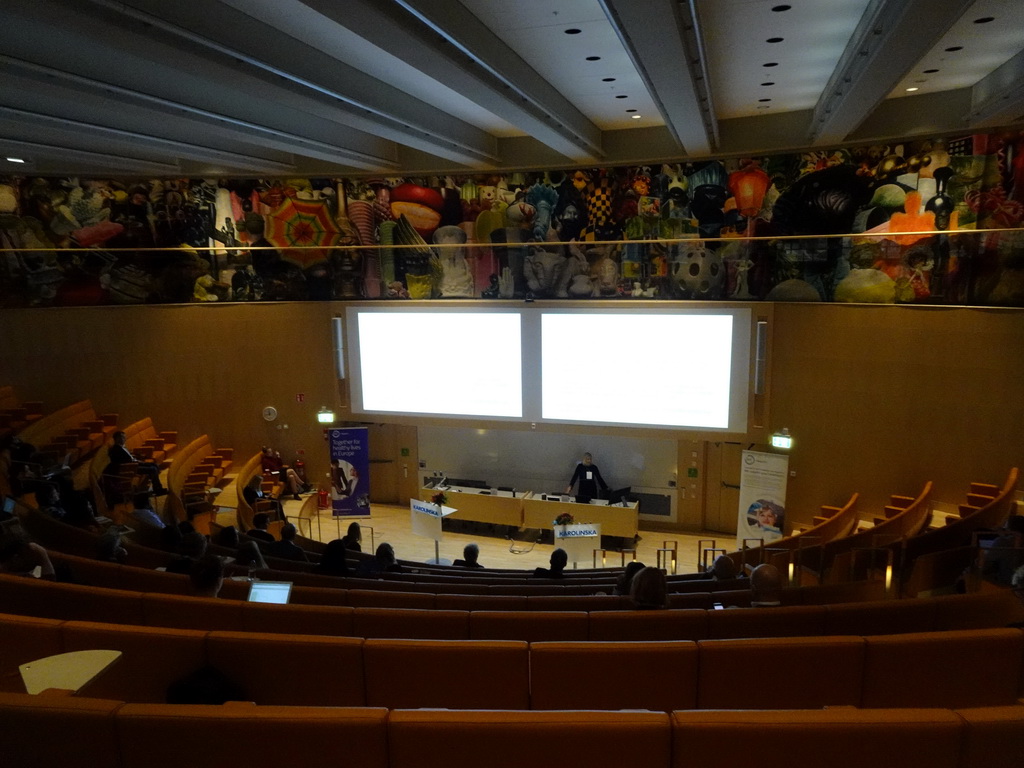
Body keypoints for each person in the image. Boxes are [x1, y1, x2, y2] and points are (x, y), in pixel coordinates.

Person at [104, 430, 167, 495]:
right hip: (131, 467)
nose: (124, 439)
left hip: (134, 464)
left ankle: (158, 487)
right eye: (122, 437)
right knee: (152, 469)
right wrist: (138, 462)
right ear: (117, 439)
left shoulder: (122, 447)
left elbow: (129, 457)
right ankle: (158, 490)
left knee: (154, 465)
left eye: (124, 437)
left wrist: (137, 460)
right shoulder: (116, 449)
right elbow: (124, 462)